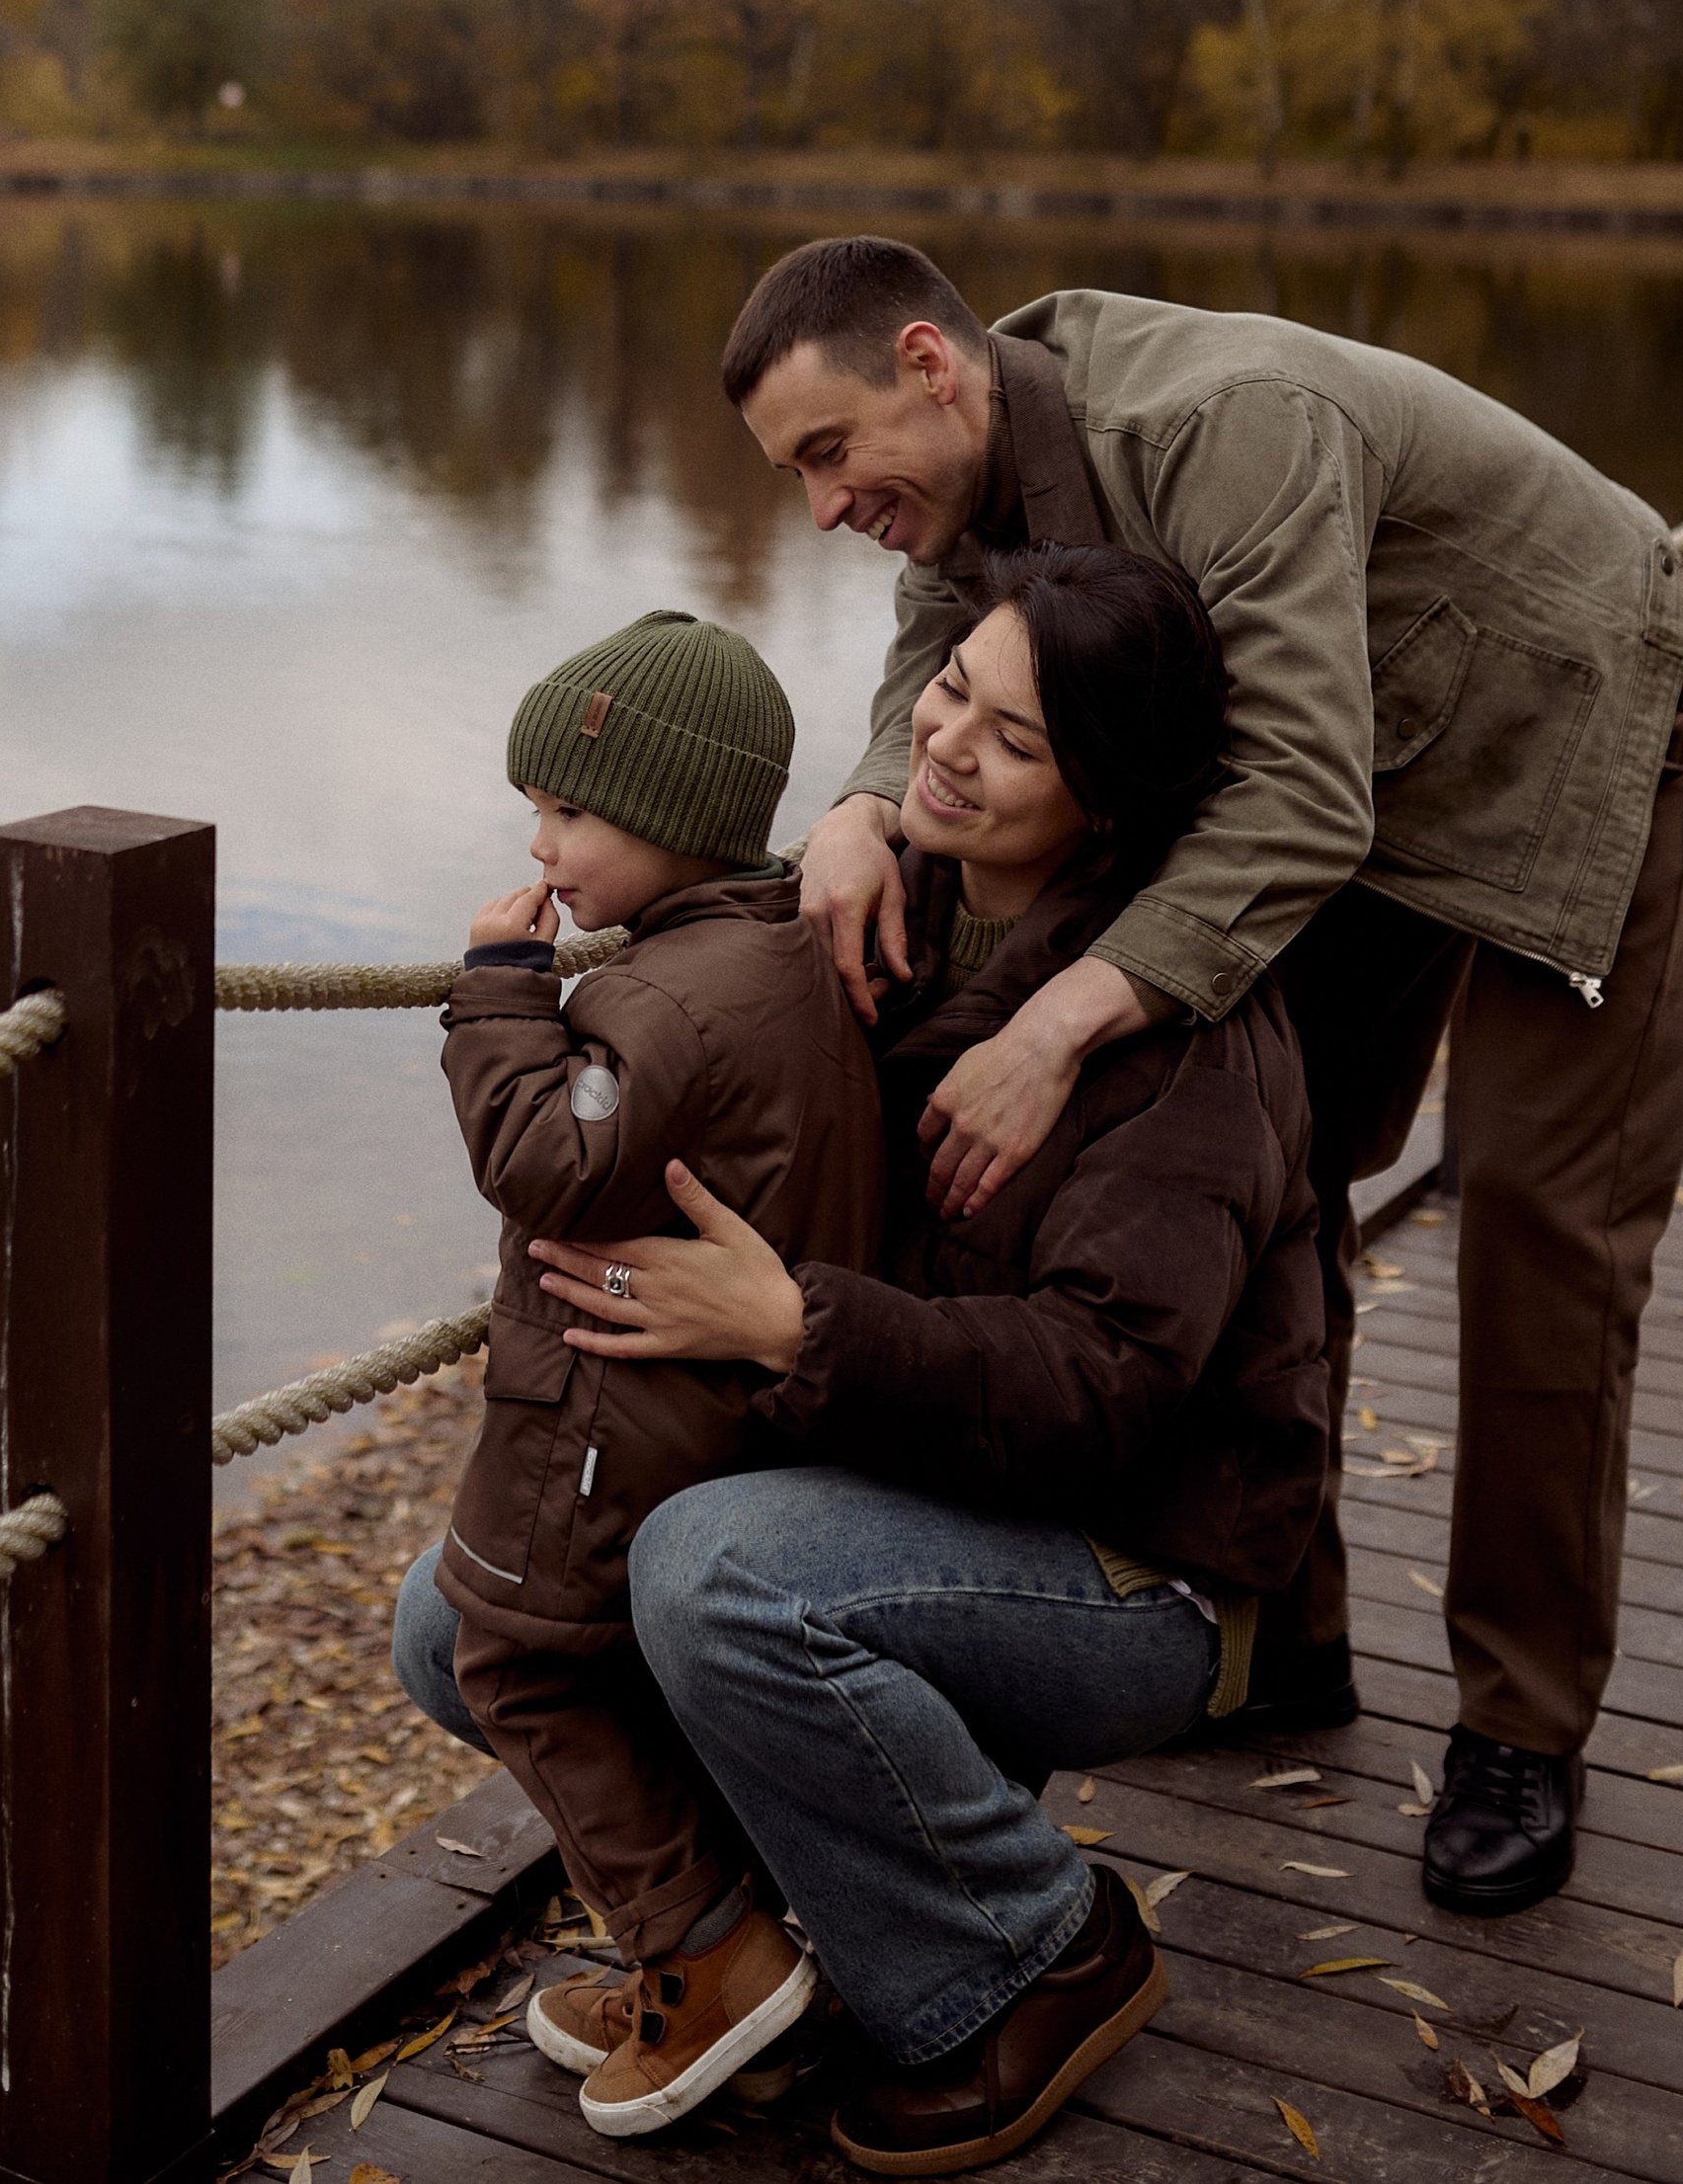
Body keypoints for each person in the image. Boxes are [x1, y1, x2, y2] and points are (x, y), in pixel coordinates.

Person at [722, 234, 1683, 1917]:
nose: (824, 506)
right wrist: (856, 802)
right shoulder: (975, 476)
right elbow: (931, 655)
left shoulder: (1223, 420)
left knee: (1546, 1221)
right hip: (1338, 759)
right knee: (1283, 1154)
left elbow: (1304, 795)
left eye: (832, 453)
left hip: (1558, 715)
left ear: (926, 363)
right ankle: (1284, 1629)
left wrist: (1056, 1022)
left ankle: (1521, 1724)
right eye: (795, 477)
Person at [396, 543, 1324, 2173]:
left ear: (1107, 797)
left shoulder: (1188, 1042)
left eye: (1017, 738)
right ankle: (762, 1946)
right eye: (952, 687)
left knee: (711, 1571)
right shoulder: (886, 909)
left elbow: (1099, 1391)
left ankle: (1030, 1944)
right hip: (915, 1470)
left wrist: (785, 1323)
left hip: (1145, 1564)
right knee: (456, 1613)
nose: (951, 745)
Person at [433, 607, 885, 2139]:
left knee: (516, 1656)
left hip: (603, 1422)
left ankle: (706, 1956)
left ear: (677, 819)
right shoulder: (765, 954)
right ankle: (720, 1958)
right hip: (700, 1419)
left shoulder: (658, 999)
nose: (540, 843)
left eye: (568, 809)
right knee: (604, 1667)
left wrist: (499, 990)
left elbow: (545, 1161)